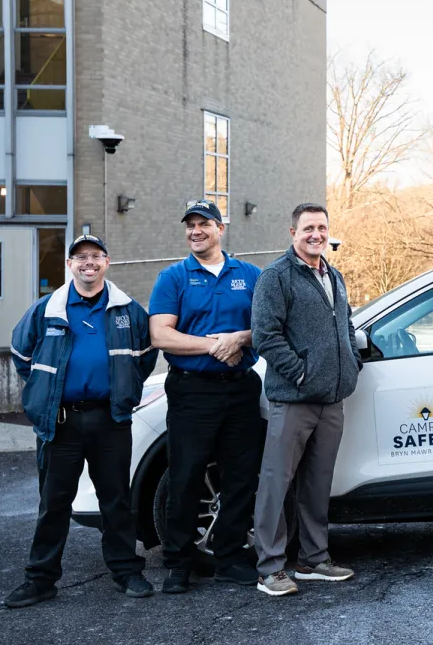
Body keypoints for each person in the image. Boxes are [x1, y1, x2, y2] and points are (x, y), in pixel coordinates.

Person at [5, 234, 158, 608]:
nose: (88, 262)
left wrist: (122, 390)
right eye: (80, 257)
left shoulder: (128, 311)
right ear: (69, 265)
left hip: (110, 420)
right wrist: (50, 389)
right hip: (61, 421)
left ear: (107, 262)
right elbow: (21, 355)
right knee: (54, 502)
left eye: (95, 256)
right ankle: (40, 579)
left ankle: (126, 571)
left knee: (116, 500)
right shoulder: (46, 310)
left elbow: (144, 358)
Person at [149, 200, 263, 593]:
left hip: (241, 389)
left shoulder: (249, 275)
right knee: (185, 476)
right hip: (191, 391)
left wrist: (240, 338)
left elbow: (267, 325)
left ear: (220, 228)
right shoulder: (174, 277)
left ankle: (230, 558)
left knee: (240, 477)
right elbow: (161, 334)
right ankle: (179, 563)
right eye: (191, 225)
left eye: (204, 224)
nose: (196, 231)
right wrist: (213, 345)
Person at [250, 203, 362, 596]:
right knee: (275, 483)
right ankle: (270, 569)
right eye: (309, 228)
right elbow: (265, 335)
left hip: (331, 400)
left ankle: (314, 559)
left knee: (317, 483)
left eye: (322, 227)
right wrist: (301, 373)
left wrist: (351, 363)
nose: (316, 234)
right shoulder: (276, 277)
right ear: (292, 232)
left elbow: (345, 324)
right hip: (294, 399)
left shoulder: (334, 275)